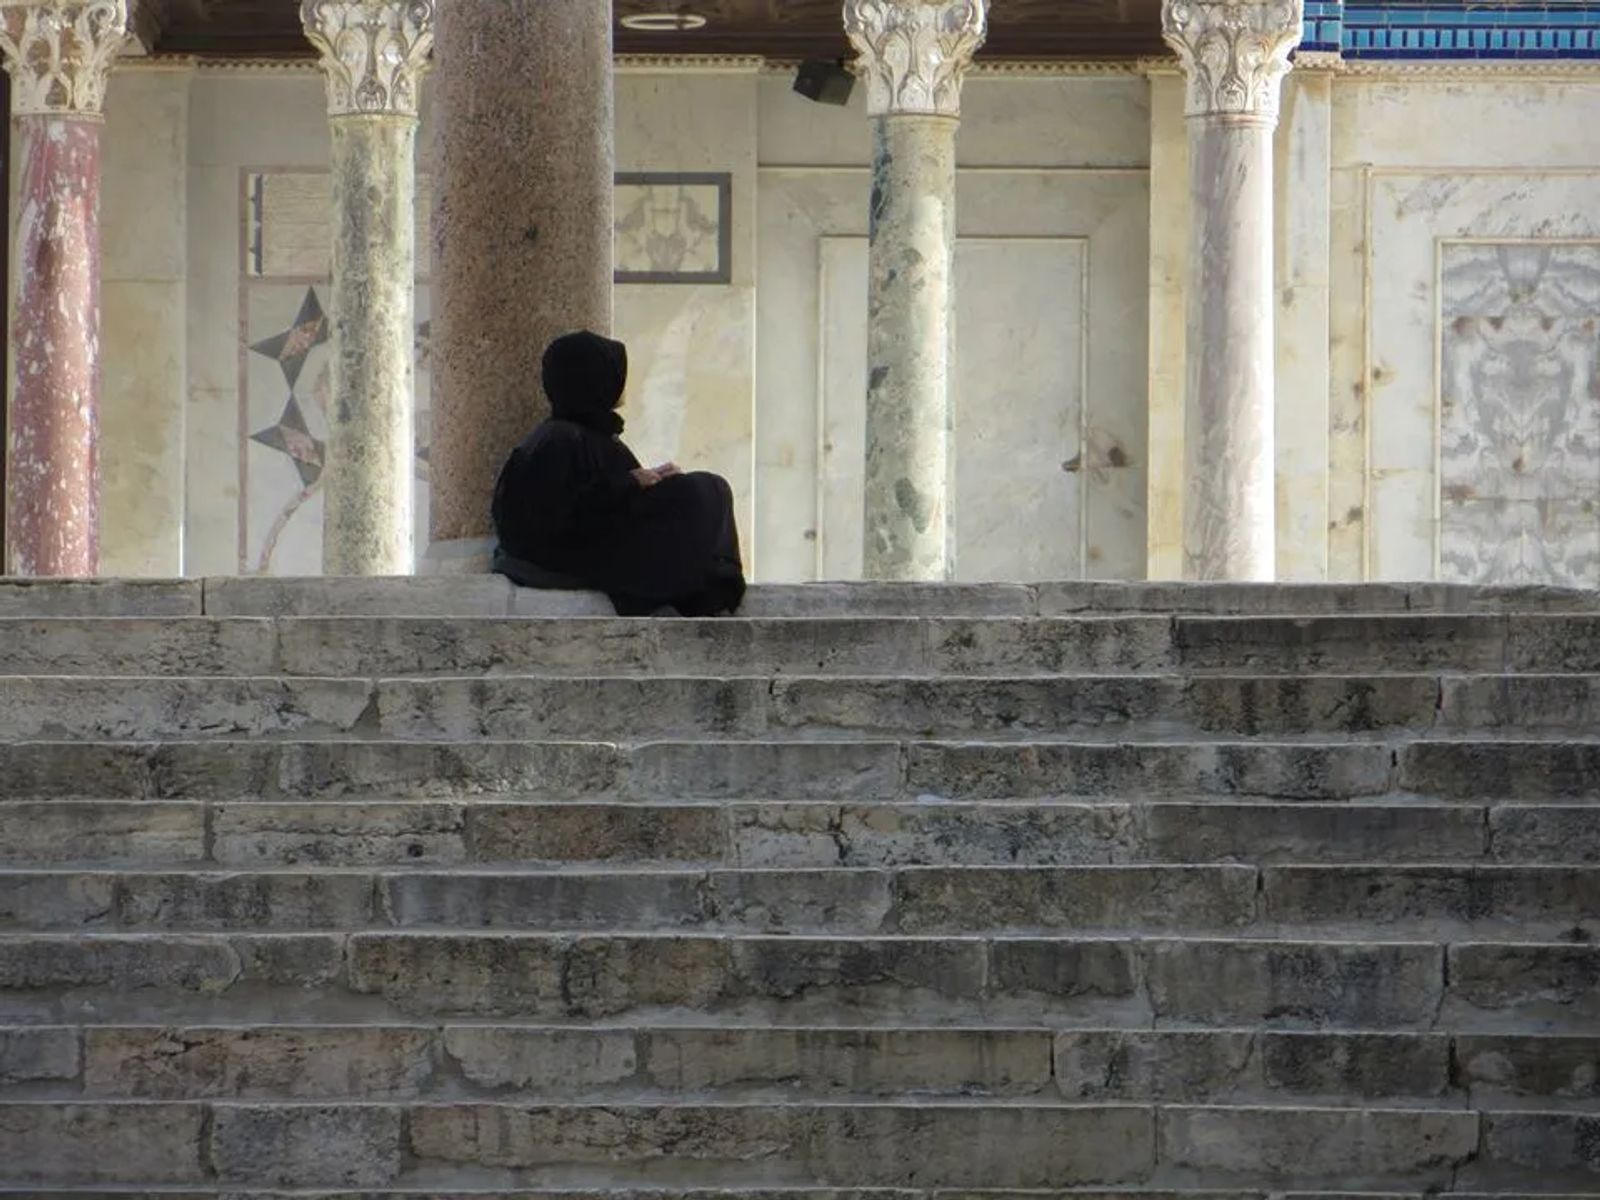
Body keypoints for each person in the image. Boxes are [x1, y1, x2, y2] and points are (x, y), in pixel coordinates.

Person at [491, 330, 746, 617]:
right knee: (701, 491)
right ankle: (704, 593)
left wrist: (653, 482)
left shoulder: (592, 435)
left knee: (704, 489)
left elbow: (611, 496)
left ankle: (707, 590)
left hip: (594, 543)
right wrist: (629, 483)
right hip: (565, 555)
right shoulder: (556, 439)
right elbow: (552, 514)